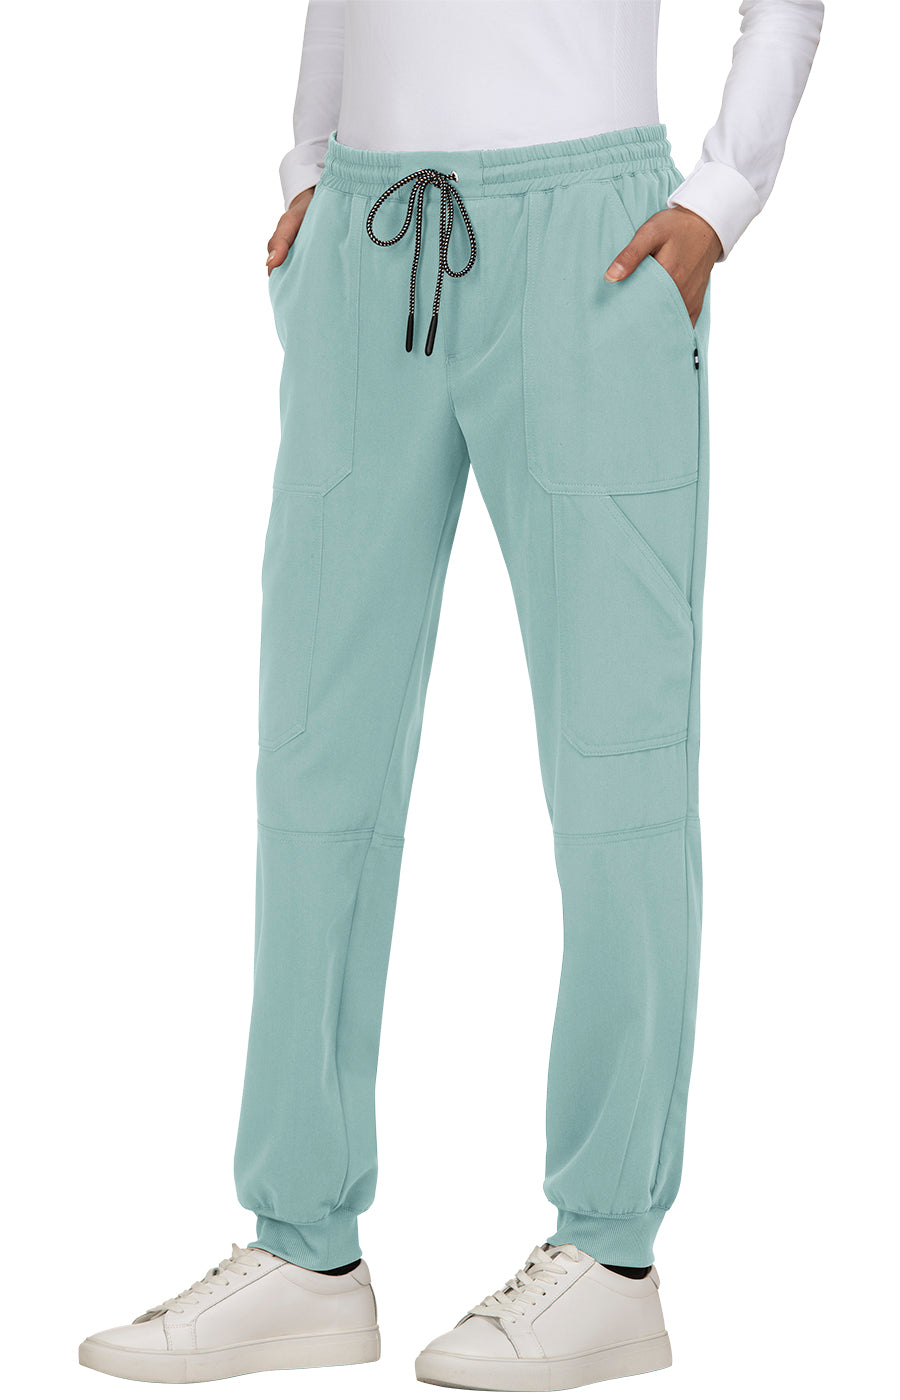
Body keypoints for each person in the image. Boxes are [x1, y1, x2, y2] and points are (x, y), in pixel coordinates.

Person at [80, 1, 824, 1389]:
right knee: (316, 760)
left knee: (617, 761)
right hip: (368, 240)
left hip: (596, 244)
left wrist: (724, 197)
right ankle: (304, 1247)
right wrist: (310, 165)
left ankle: (609, 1255)